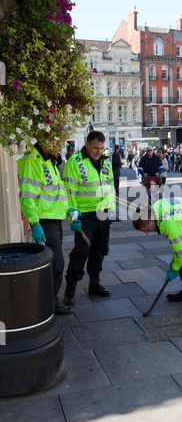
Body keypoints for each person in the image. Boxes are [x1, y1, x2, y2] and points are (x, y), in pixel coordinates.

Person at [17, 142, 72, 315]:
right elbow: (27, 197)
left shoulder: (49, 161)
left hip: (55, 220)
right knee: (54, 266)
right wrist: (35, 223)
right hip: (44, 221)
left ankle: (51, 303)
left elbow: (55, 193)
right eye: (55, 140)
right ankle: (48, 307)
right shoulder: (32, 161)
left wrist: (69, 210)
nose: (58, 145)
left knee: (56, 265)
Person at [63, 131, 115, 305]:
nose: (98, 152)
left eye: (101, 148)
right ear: (87, 144)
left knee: (100, 249)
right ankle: (70, 288)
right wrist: (72, 214)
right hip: (84, 215)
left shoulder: (106, 161)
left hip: (103, 212)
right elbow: (69, 191)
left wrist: (111, 210)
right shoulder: (74, 163)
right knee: (81, 251)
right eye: (95, 148)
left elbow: (110, 186)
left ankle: (95, 283)